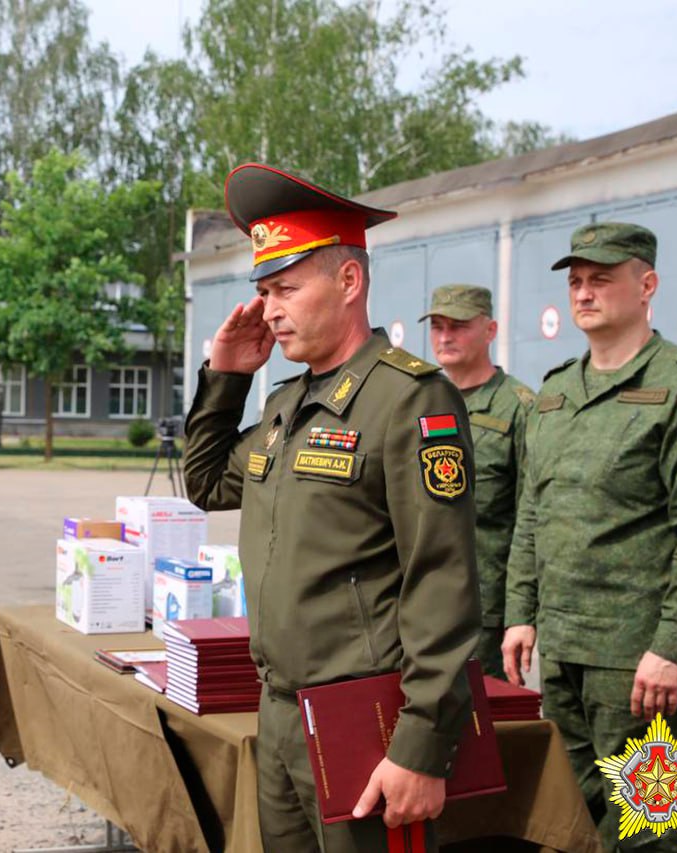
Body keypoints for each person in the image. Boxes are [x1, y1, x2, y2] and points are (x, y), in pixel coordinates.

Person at [184, 162, 481, 853]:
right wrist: (226, 377)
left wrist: (421, 743)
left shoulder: (409, 399)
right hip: (282, 710)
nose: (269, 309)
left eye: (285, 288)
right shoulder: (288, 405)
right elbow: (203, 481)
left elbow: (442, 579)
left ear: (349, 282)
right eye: (263, 291)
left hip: (365, 718)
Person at [503, 223, 677, 852]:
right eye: (576, 281)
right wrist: (520, 612)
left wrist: (673, 646)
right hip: (565, 649)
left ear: (647, 285)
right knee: (574, 821)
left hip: (642, 660)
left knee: (651, 830)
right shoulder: (553, 393)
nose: (584, 292)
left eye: (601, 278)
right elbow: (533, 511)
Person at [420, 284, 533, 680]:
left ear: (490, 330)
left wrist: (522, 613)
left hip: (484, 605)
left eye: (459, 326)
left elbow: (530, 518)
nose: (445, 336)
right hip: (419, 599)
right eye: (437, 326)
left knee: (485, 723)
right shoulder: (420, 399)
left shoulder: (519, 407)